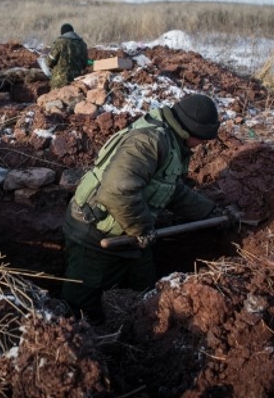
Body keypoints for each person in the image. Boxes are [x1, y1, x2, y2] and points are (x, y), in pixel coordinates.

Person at [61, 93, 227, 323]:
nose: (202, 145)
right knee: (81, 307)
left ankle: (145, 337)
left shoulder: (172, 141)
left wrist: (210, 212)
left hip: (130, 237)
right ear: (191, 131)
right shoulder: (151, 141)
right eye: (203, 139)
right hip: (95, 235)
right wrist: (141, 228)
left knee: (148, 291)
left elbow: (171, 190)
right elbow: (117, 189)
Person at [48, 23, 89, 88]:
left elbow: (50, 61)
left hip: (60, 81)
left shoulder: (60, 43)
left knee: (58, 97)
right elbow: (85, 63)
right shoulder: (82, 44)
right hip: (76, 80)